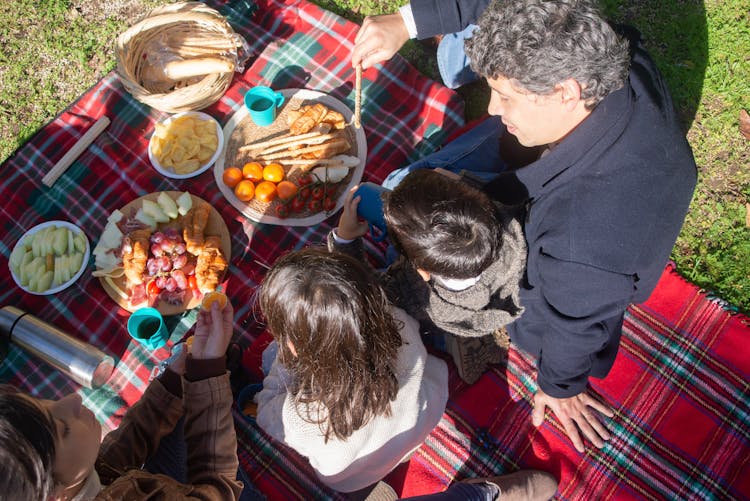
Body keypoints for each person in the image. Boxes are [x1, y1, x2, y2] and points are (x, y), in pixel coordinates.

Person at [353, 0, 697, 453]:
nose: (493, 108)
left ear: (567, 92)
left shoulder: (584, 243)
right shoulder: (610, 57)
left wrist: (560, 386)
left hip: (559, 253)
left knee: (400, 189)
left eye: (507, 96)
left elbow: (575, 326)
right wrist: (405, 22)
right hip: (563, 174)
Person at [0, 301, 244, 500]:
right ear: (54, 495)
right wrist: (207, 371)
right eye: (62, 429)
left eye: (44, 404)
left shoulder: (78, 476)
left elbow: (118, 456)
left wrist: (171, 385)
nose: (72, 399)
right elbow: (216, 490)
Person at [254, 247, 449, 494]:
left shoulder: (305, 418)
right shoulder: (396, 321)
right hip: (421, 418)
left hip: (355, 477)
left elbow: (265, 410)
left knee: (268, 356)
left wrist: (284, 358)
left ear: (294, 346)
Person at [330, 169, 527, 384]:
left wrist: (345, 241)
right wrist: (459, 181)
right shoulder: (513, 225)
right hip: (494, 300)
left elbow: (367, 292)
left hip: (445, 317)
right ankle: (476, 337)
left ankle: (457, 341)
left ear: (421, 273)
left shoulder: (415, 292)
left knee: (413, 318)